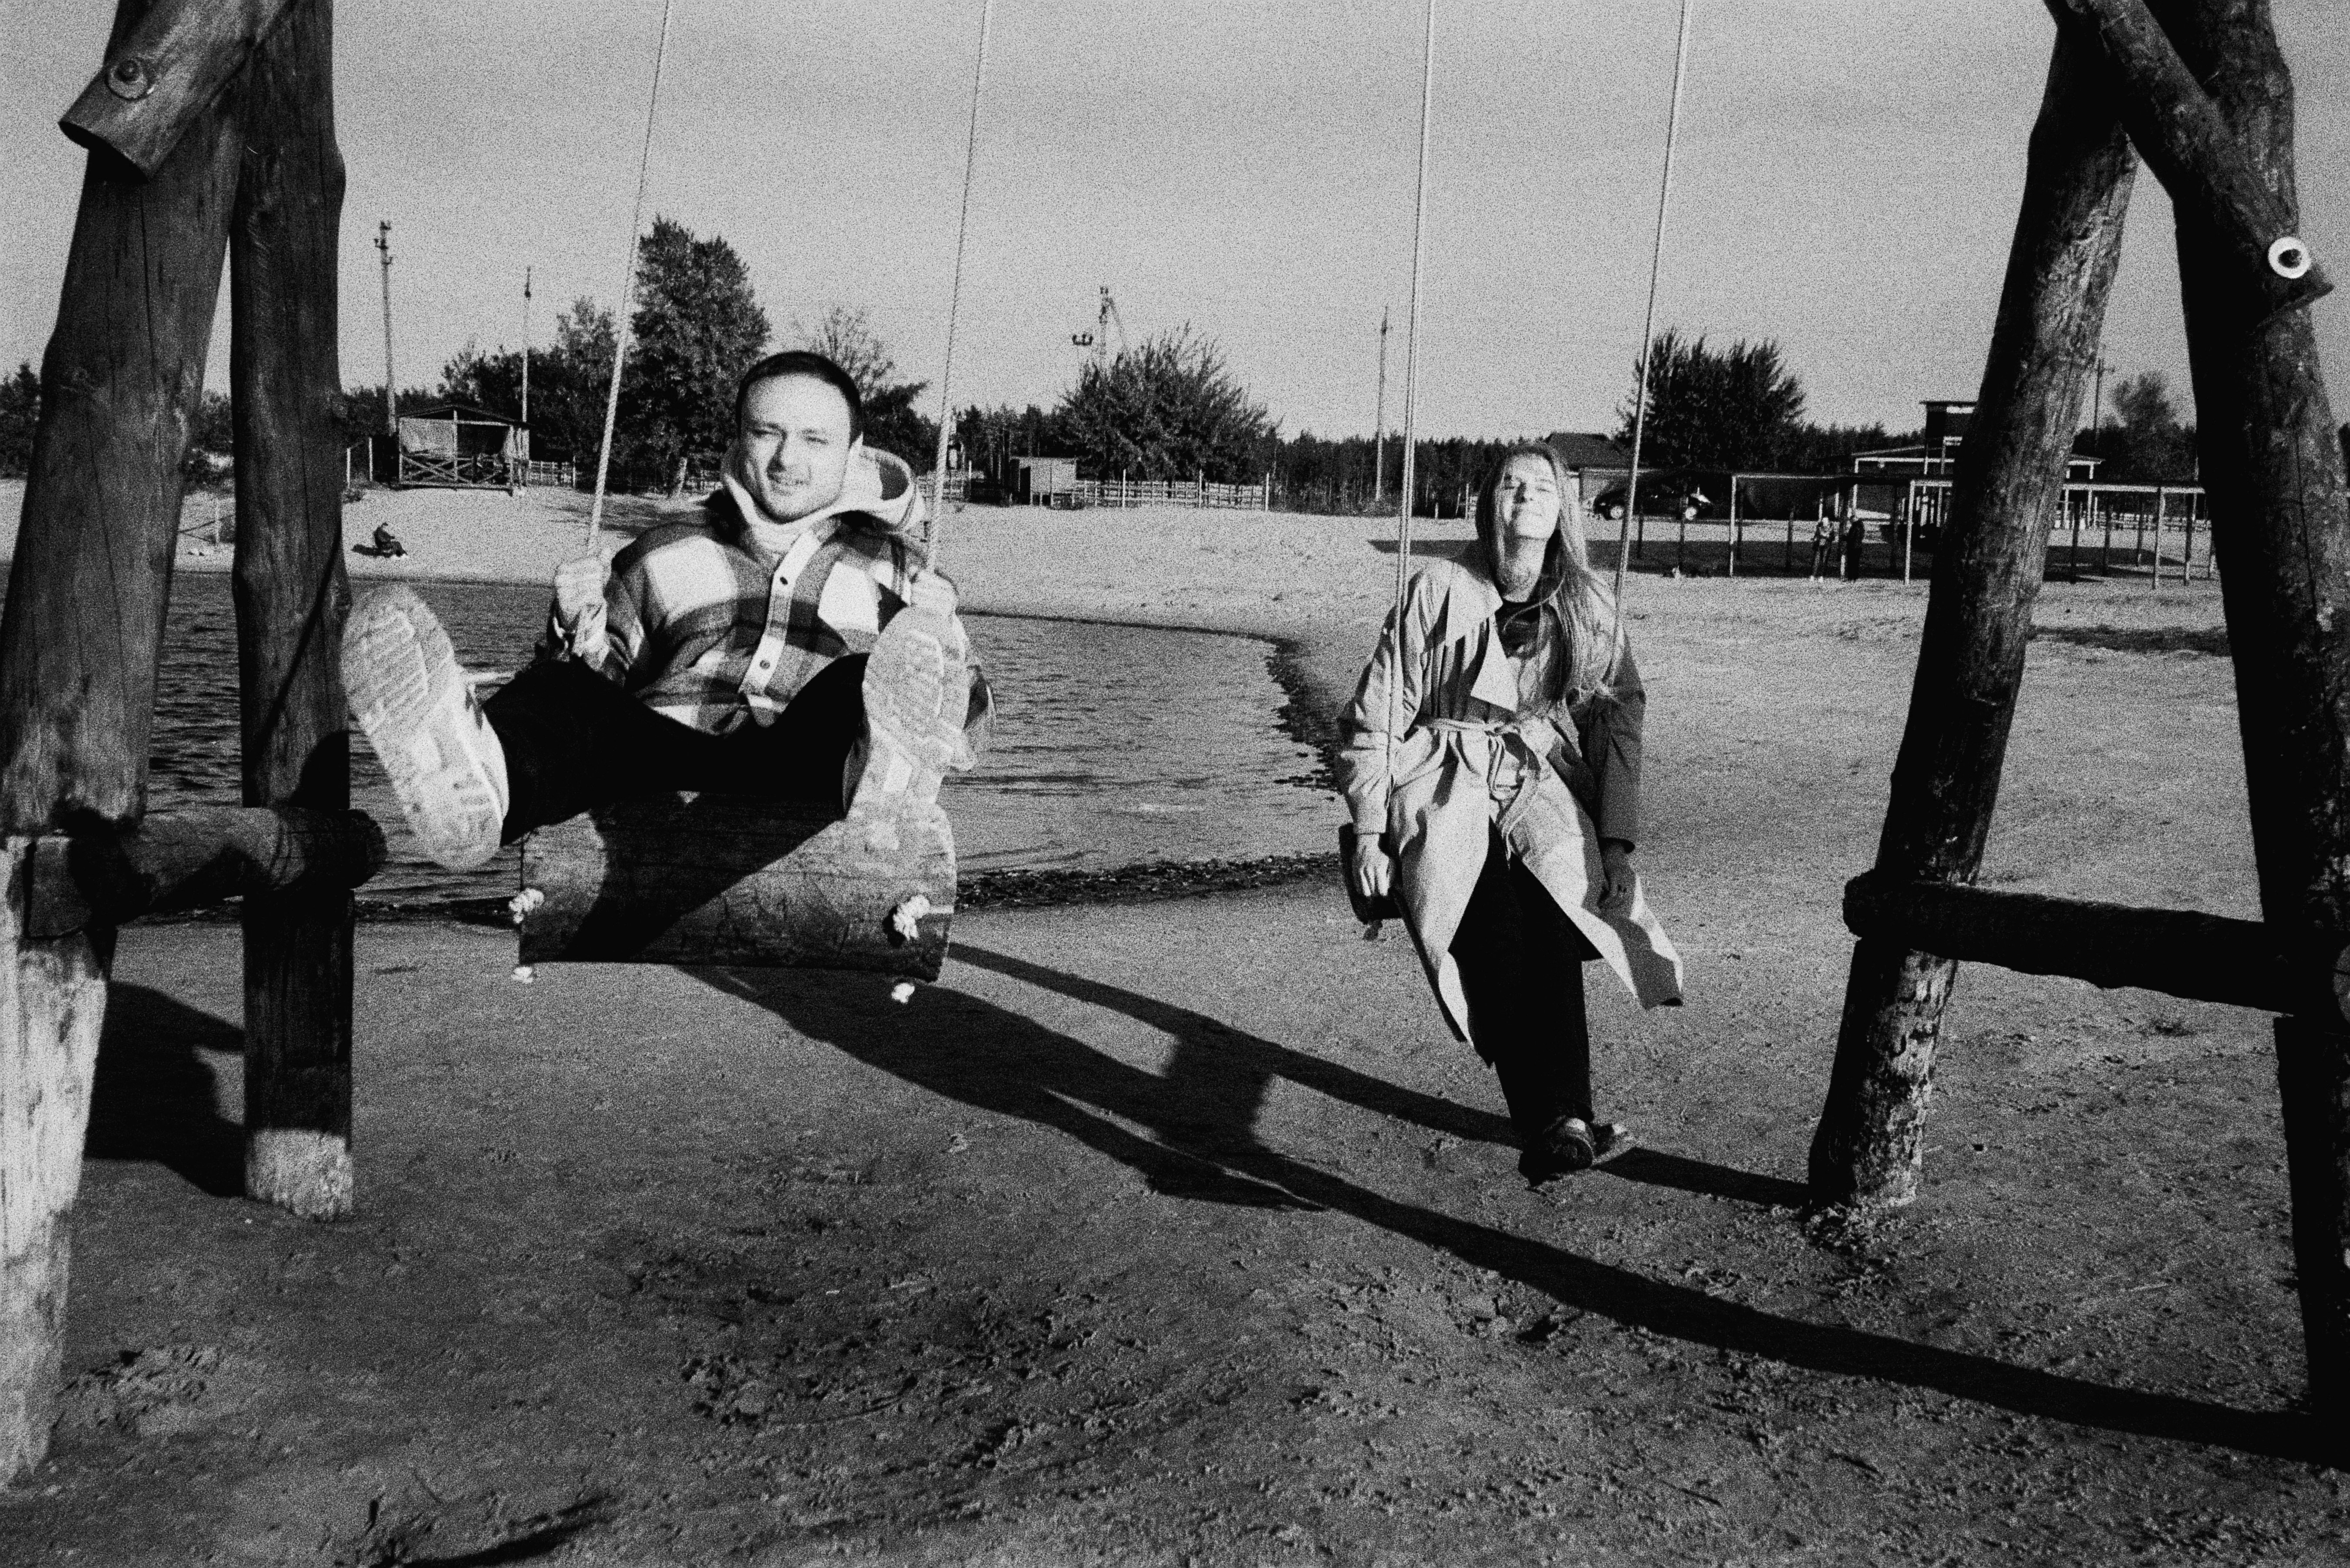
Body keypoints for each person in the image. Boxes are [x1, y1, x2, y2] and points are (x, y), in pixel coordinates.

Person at [341, 350, 990, 869]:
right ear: (739, 440)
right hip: (670, 760)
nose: (788, 458)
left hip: (813, 770)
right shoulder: (662, 550)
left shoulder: (899, 567)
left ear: (852, 455)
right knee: (566, 688)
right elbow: (601, 681)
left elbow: (973, 723)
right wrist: (576, 624)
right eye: (768, 433)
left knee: (865, 678)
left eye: (814, 439)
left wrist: (945, 646)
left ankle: (887, 783)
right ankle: (485, 780)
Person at [1339, 442, 1682, 1185]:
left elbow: (1617, 719)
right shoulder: (1435, 588)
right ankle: (1559, 1120)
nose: (1524, 496)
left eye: (1541, 487)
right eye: (1509, 484)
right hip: (1443, 778)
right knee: (1485, 921)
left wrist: (1616, 845)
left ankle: (1561, 1118)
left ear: (1563, 510)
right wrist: (1368, 830)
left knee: (1555, 916)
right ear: (1487, 501)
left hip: (1538, 775)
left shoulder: (1586, 604)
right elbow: (1376, 713)